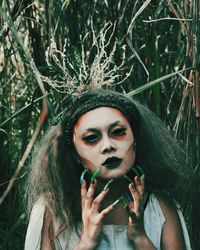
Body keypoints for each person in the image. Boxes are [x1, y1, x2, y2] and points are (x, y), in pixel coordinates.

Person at [24, 88, 192, 250]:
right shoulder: (51, 211)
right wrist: (86, 243)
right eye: (91, 138)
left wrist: (141, 239)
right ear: (75, 154)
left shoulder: (161, 209)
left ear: (136, 139)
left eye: (118, 132)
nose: (108, 146)